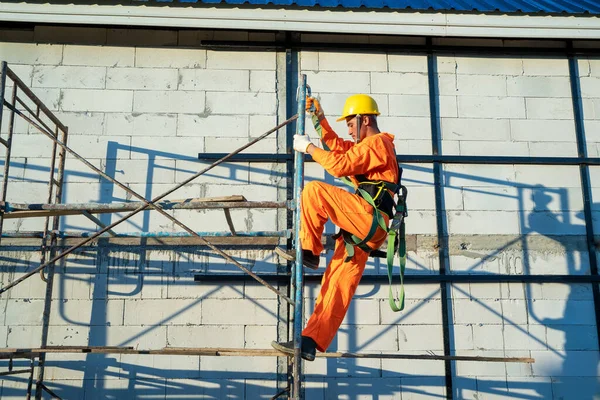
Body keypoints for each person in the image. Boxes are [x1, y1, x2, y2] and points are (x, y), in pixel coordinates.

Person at [272, 94, 399, 361]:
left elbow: (339, 165)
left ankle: (308, 251)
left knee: (315, 191)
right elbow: (336, 148)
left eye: (351, 123)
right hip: (367, 231)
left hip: (367, 217)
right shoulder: (369, 147)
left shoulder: (378, 143)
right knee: (335, 286)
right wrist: (318, 119)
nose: (349, 129)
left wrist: (307, 148)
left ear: (364, 119)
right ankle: (310, 341)